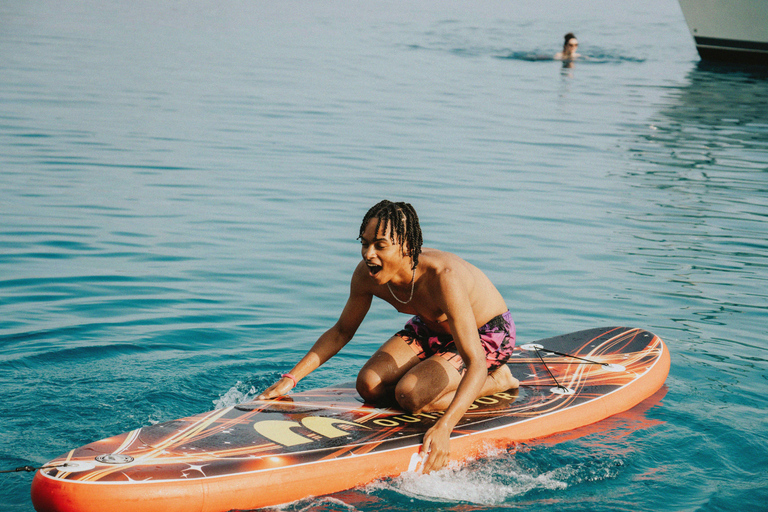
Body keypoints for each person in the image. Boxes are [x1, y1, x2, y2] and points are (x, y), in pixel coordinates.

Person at [258, 200, 518, 473]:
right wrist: (291, 379)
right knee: (368, 384)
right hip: (429, 328)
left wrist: (444, 427)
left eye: (380, 245)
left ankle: (498, 380)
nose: (369, 254)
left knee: (411, 396)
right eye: (365, 243)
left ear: (407, 247)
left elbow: (475, 360)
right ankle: (438, 373)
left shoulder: (443, 278)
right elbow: (341, 332)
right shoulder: (366, 276)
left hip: (486, 334)